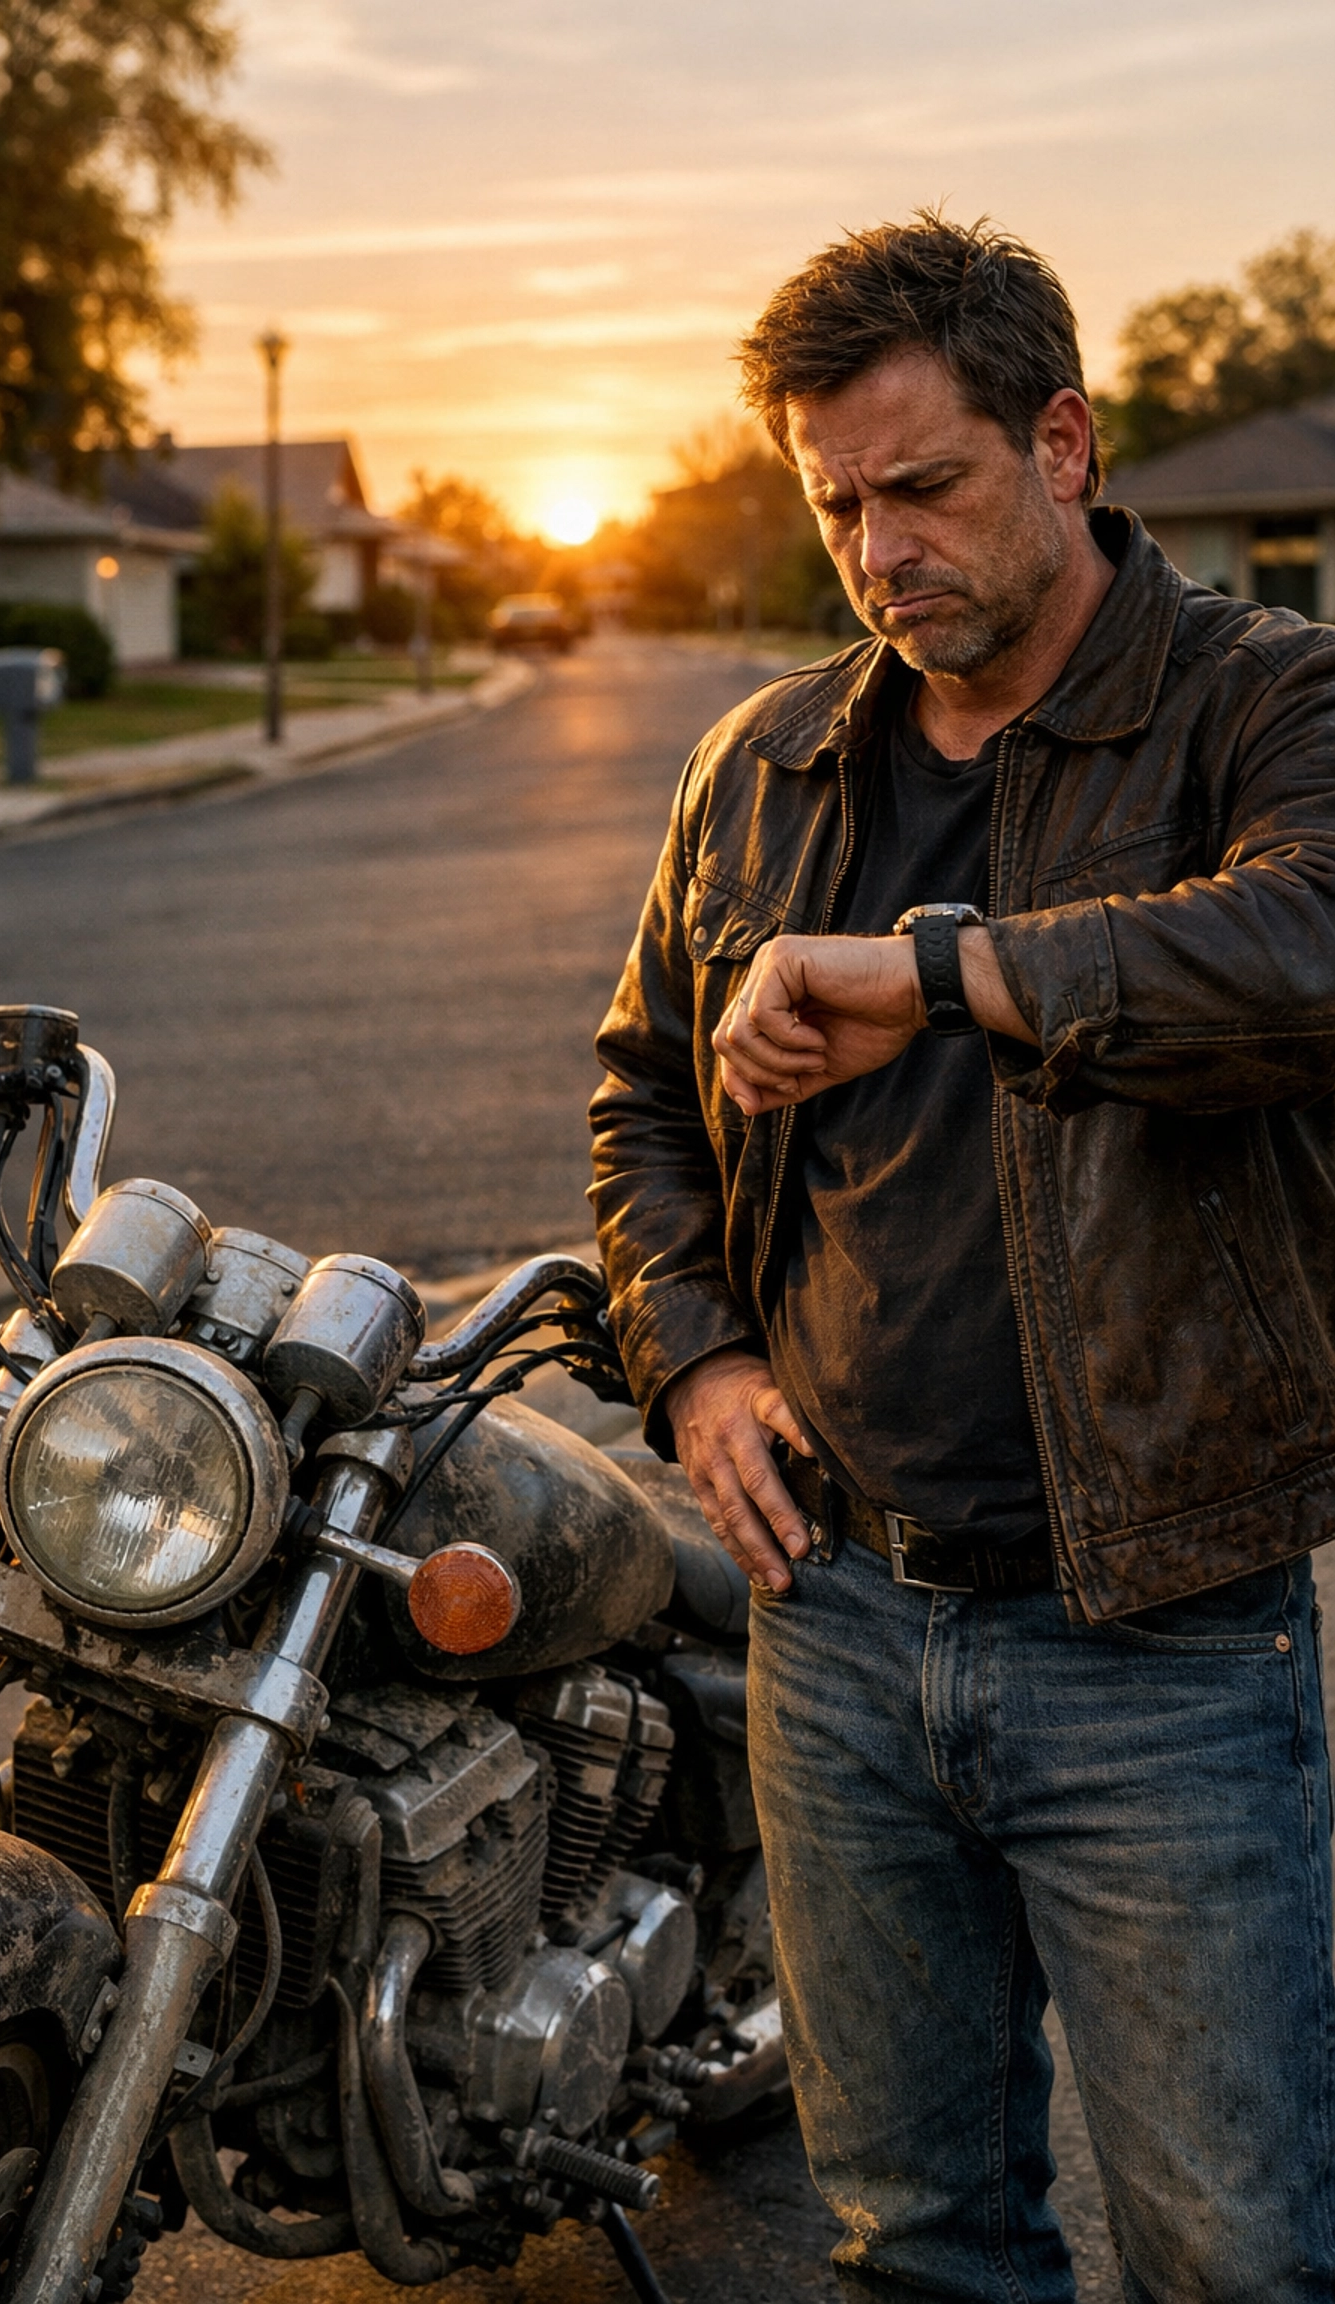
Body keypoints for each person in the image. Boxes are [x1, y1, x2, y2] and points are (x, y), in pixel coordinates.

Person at [589, 213, 1335, 2302]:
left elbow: (1309, 947)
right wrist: (696, 1363)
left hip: (1163, 1635)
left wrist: (940, 971)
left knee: (1236, 2258)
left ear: (1063, 444)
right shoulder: (761, 764)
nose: (880, 549)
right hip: (833, 1622)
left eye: (924, 487)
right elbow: (643, 1095)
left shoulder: (1261, 699)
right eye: (838, 506)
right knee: (915, 2245)